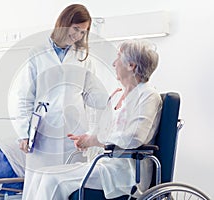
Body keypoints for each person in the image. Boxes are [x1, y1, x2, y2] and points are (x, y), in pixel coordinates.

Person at [23, 39, 163, 199]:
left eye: (118, 57)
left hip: (127, 172)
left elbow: (134, 138)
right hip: (105, 164)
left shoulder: (148, 96)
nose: (114, 63)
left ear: (131, 65)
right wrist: (87, 138)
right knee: (41, 173)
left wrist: (95, 141)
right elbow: (102, 130)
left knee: (52, 180)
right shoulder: (118, 95)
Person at [12, 4, 109, 199]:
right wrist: (23, 133)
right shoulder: (37, 52)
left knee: (69, 186)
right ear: (64, 24)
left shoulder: (83, 57)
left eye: (83, 32)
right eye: (76, 29)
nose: (78, 36)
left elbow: (92, 93)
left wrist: (114, 100)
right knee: (39, 186)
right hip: (42, 132)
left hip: (72, 132)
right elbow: (24, 96)